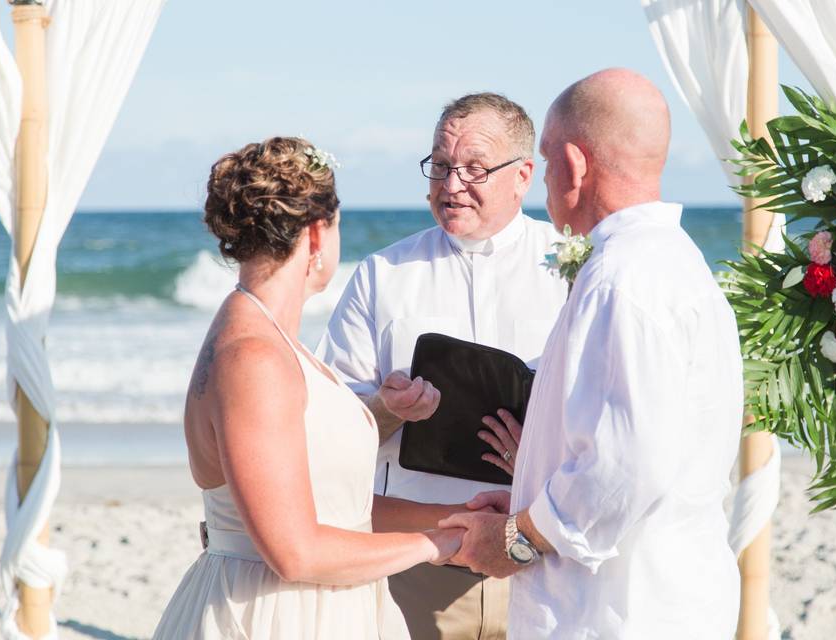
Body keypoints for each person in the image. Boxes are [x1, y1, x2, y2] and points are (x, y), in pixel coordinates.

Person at [439, 69, 744, 638]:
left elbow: (629, 462)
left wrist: (519, 540)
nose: (547, 182)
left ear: (575, 167)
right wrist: (526, 492)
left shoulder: (623, 278)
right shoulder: (676, 260)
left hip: (617, 612)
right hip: (662, 594)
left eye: (549, 163)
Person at [152, 137, 465, 640]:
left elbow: (336, 506)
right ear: (317, 235)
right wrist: (436, 545)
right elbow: (295, 551)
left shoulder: (269, 341)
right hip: (273, 615)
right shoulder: (253, 357)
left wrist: (457, 517)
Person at [317, 94, 567, 638]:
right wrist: (386, 409)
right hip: (416, 562)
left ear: (523, 175)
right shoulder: (383, 274)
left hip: (542, 558)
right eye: (441, 165)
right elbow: (328, 428)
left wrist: (542, 456)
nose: (451, 184)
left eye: (474, 168)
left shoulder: (574, 267)